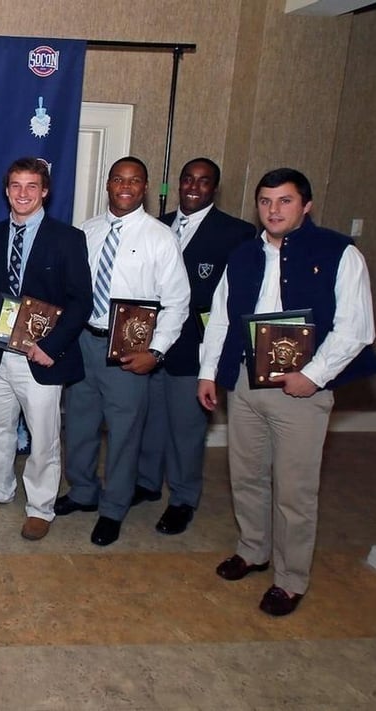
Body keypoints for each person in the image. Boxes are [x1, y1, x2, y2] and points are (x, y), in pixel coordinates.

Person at [198, 167, 376, 616]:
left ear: (306, 205)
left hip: (301, 391)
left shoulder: (339, 253)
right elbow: (221, 317)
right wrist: (208, 373)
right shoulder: (242, 256)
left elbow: (356, 329)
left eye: (284, 201)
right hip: (245, 381)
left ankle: (291, 578)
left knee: (295, 490)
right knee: (247, 476)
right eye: (265, 201)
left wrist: (313, 375)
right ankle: (253, 550)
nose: (273, 210)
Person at [57, 156, 189, 546]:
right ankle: (82, 492)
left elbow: (178, 302)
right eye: (118, 179)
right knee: (78, 425)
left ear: (144, 187)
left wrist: (158, 351)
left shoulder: (160, 237)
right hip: (83, 342)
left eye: (134, 180)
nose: (125, 186)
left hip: (130, 352)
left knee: (124, 432)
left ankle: (113, 508)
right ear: (108, 184)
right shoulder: (87, 230)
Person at [0, 157, 92, 541]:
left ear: (45, 192)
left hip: (40, 358)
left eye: (31, 186)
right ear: (6, 191)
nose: (23, 193)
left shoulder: (68, 238)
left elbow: (80, 301)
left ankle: (40, 507)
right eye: (16, 186)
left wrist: (50, 347)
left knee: (43, 436)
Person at [135, 158, 255, 536]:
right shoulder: (157, 225)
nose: (193, 187)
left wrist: (218, 358)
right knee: (149, 422)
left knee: (186, 429)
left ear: (214, 189)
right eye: (188, 179)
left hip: (195, 348)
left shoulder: (237, 233)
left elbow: (234, 300)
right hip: (150, 344)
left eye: (203, 182)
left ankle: (183, 498)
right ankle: (147, 484)